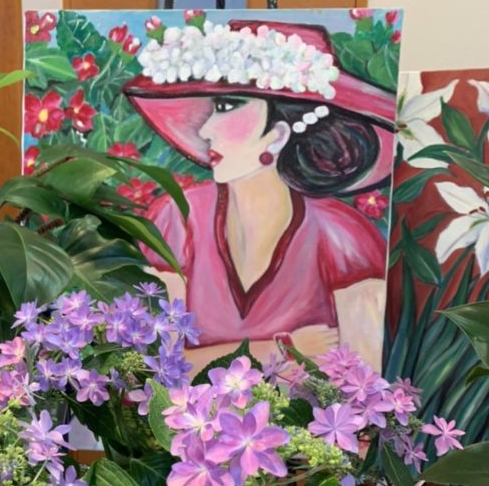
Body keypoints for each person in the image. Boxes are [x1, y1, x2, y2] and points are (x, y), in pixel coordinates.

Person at [123, 19, 398, 371]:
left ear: (278, 135)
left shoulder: (344, 238)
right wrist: (282, 350)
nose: (206, 130)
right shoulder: (175, 217)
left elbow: (363, 384)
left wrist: (209, 363)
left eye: (227, 106)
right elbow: (156, 368)